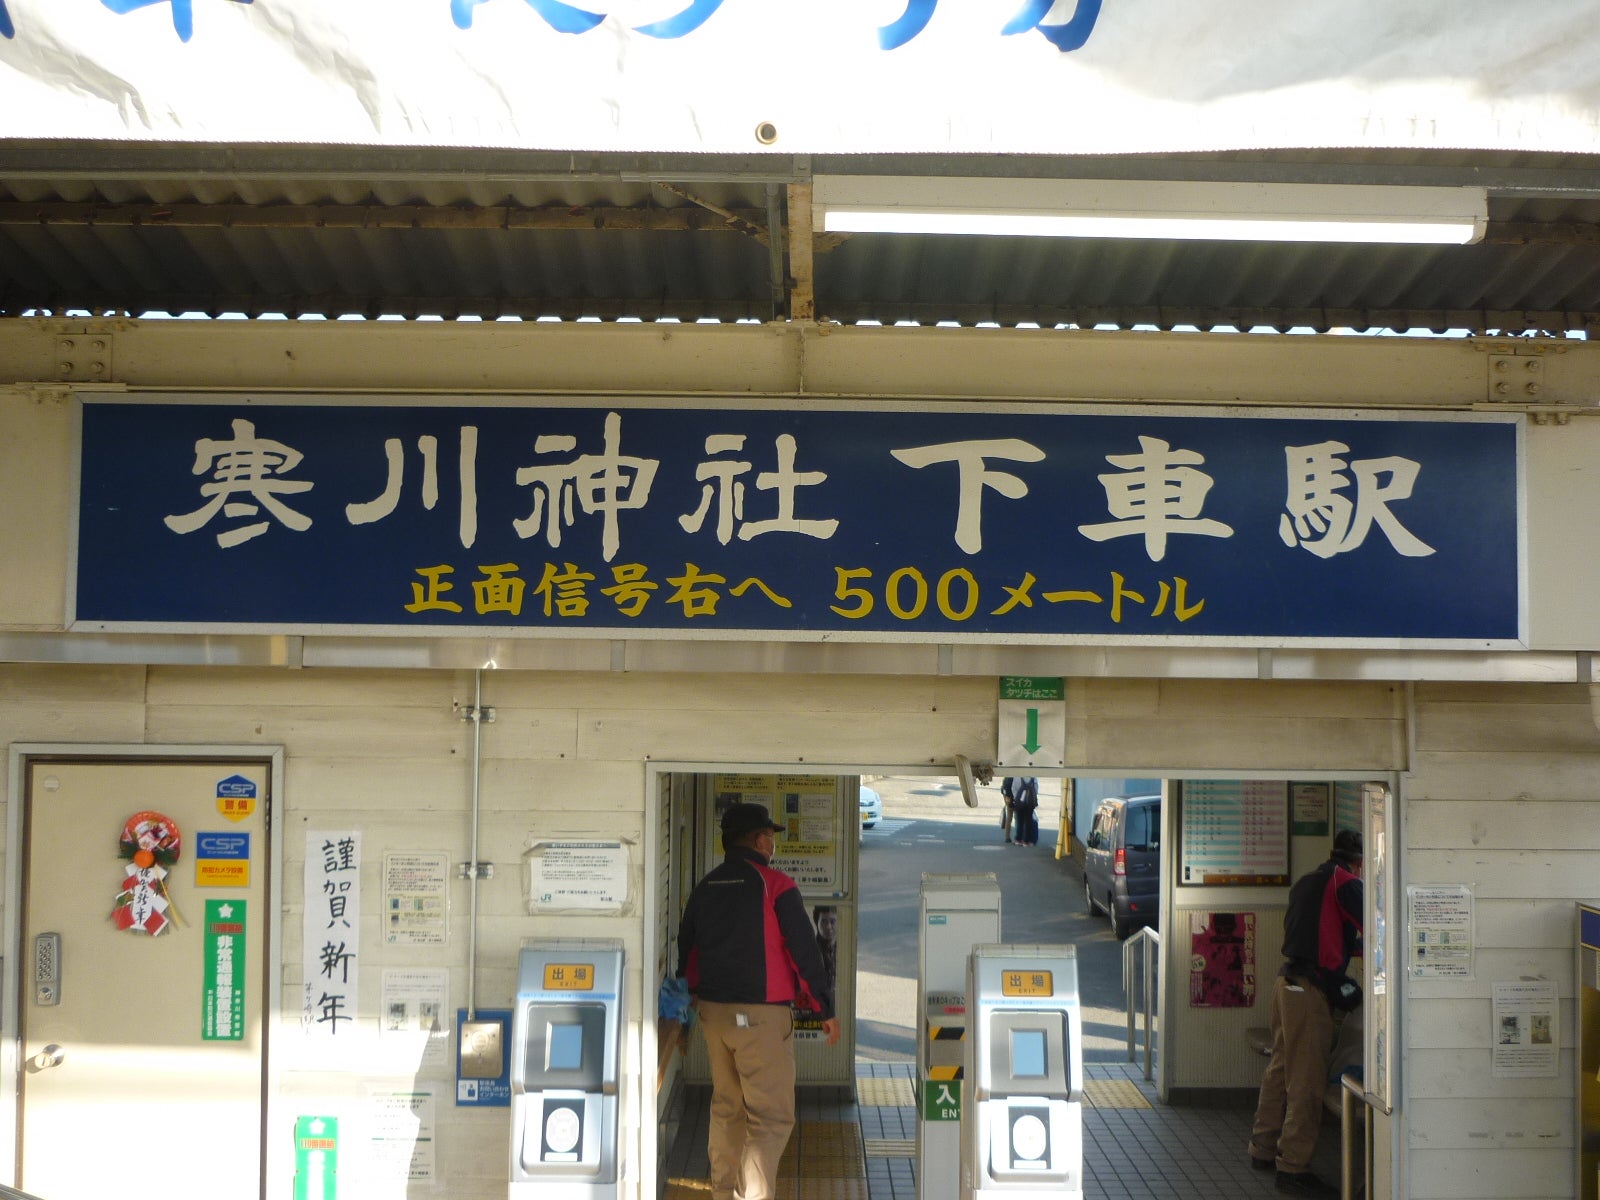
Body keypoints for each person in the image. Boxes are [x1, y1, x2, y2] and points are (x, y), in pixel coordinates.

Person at [677, 802, 840, 1200]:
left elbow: (688, 953)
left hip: (713, 1016)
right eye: (769, 835)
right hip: (762, 1018)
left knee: (727, 1108)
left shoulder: (706, 886)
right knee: (769, 1119)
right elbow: (804, 951)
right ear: (759, 839)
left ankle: (722, 1192)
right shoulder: (776, 885)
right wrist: (824, 1008)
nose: (772, 843)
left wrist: (689, 1007)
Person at [1249, 829, 1364, 1197]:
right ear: (1359, 862)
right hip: (1310, 992)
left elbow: (1324, 933)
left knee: (1280, 1068)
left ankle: (1263, 1149)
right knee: (1307, 1080)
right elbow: (1379, 927)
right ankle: (1293, 1167)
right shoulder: (1346, 883)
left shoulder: (1309, 881)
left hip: (1286, 984)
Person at [1011, 776, 1040, 846]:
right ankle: (1027, 841)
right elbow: (1036, 789)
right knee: (1028, 822)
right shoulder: (1033, 777)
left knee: (1019, 821)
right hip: (1029, 803)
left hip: (1019, 803)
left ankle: (1018, 839)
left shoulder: (1017, 776)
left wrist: (1016, 798)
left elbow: (1013, 788)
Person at [1000, 776, 1016, 842]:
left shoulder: (1007, 775)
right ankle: (1014, 837)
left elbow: (1004, 787)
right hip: (1011, 796)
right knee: (1013, 816)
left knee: (1009, 816)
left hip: (1008, 795)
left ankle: (1007, 837)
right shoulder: (1012, 776)